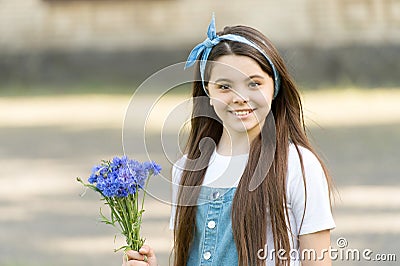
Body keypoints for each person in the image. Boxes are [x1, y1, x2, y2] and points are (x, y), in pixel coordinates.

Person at [123, 15, 335, 266]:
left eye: (254, 83)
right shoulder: (187, 169)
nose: (239, 98)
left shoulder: (298, 166)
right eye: (224, 87)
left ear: (274, 88)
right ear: (207, 93)